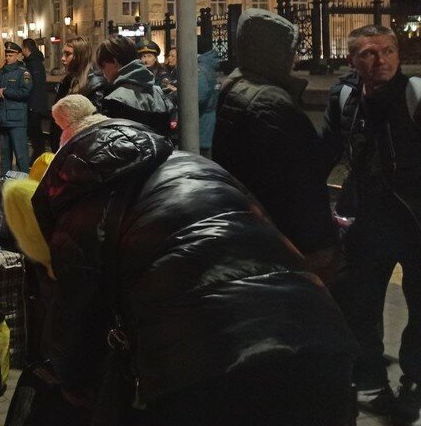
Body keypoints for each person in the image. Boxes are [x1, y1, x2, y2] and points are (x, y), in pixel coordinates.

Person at [31, 95, 357, 426]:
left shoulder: (82, 204)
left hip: (208, 367)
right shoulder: (198, 166)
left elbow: (74, 309)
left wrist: (72, 379)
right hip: (321, 337)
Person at [324, 24, 421, 421]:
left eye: (387, 52)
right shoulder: (345, 96)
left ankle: (413, 379)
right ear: (352, 60)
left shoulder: (415, 95)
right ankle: (371, 380)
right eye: (367, 53)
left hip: (414, 222)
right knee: (360, 308)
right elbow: (325, 151)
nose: (380, 61)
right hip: (365, 221)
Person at [212, 9, 338, 280]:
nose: (294, 57)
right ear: (274, 50)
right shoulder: (271, 101)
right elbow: (300, 184)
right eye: (289, 49)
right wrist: (318, 246)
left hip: (256, 229)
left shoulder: (235, 85)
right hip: (290, 240)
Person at [84, 35, 174, 137]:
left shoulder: (114, 99)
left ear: (114, 61)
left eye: (103, 66)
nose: (103, 71)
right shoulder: (158, 92)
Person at [0, 41, 32, 183]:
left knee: (20, 152)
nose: (8, 57)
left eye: (11, 55)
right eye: (7, 55)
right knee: (5, 151)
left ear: (18, 55)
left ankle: (24, 179)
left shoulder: (23, 73)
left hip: (17, 118)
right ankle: (5, 177)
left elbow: (25, 92)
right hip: (4, 116)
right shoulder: (1, 71)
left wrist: (6, 92)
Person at [49, 36, 93, 151]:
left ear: (80, 56)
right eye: (63, 54)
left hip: (79, 148)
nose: (62, 59)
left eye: (67, 54)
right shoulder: (67, 80)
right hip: (64, 145)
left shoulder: (92, 83)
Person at [21, 38, 50, 161]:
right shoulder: (34, 62)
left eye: (22, 48)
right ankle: (37, 156)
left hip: (34, 105)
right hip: (35, 104)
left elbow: (35, 86)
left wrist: (32, 106)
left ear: (26, 49)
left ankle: (38, 157)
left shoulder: (33, 63)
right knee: (34, 132)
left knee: (35, 132)